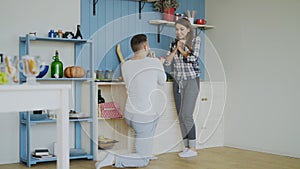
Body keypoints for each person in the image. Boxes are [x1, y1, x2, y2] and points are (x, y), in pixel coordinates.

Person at [95, 34, 166, 169]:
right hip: (143, 118)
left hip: (129, 114)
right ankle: (115, 158)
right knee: (143, 160)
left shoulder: (126, 65)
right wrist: (159, 64)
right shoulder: (154, 62)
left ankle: (146, 151)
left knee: (156, 115)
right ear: (146, 46)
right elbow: (162, 81)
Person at [162, 18, 201, 158]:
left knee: (187, 115)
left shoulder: (195, 41)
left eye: (182, 29)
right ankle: (186, 147)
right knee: (180, 116)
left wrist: (181, 49)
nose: (178, 32)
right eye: (177, 29)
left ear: (188, 29)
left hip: (191, 81)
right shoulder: (173, 43)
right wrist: (174, 50)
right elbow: (167, 63)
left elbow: (192, 58)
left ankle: (193, 148)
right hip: (178, 82)